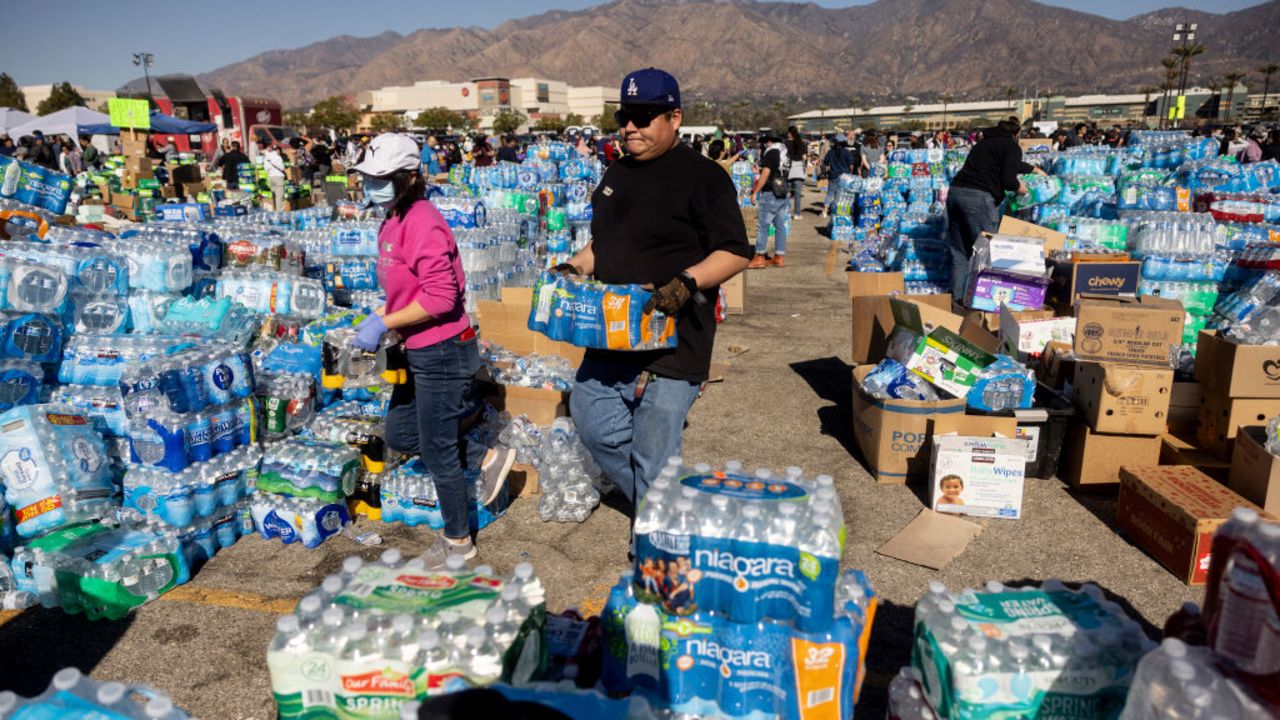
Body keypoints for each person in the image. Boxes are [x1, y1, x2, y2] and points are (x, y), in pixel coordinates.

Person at [558, 68, 751, 524]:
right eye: (626, 116)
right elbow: (603, 244)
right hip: (613, 332)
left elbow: (737, 251)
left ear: (674, 117)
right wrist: (574, 266)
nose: (630, 126)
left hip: (676, 337)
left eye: (644, 117)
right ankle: (666, 509)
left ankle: (657, 537)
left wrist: (686, 281)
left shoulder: (703, 177)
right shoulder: (616, 172)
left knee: (654, 447)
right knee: (591, 421)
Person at [349, 133, 515, 567]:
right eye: (367, 177)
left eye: (380, 178)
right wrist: (385, 319)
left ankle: (459, 543)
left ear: (408, 178)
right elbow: (408, 288)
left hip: (443, 348)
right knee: (403, 435)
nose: (371, 185)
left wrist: (386, 321)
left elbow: (441, 298)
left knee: (439, 449)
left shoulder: (422, 220)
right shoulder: (391, 218)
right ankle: (487, 458)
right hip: (417, 347)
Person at [946, 117, 1039, 298]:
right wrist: (1019, 187)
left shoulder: (983, 144)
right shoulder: (1012, 147)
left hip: (956, 193)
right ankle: (985, 300)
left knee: (960, 252)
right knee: (987, 251)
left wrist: (1032, 169)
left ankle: (956, 300)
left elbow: (1006, 164)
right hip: (978, 198)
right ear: (1016, 133)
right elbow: (1007, 178)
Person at [748, 129, 791, 268]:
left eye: (765, 142)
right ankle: (779, 256)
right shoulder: (785, 152)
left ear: (769, 141)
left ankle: (759, 256)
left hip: (770, 193)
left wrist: (755, 191)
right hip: (782, 192)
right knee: (780, 226)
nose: (764, 145)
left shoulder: (772, 152)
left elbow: (766, 173)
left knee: (763, 226)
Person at [818, 133, 855, 218]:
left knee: (830, 194)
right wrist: (850, 173)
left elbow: (825, 163)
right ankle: (837, 212)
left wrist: (826, 172)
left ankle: (825, 212)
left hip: (833, 175)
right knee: (840, 195)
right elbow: (851, 164)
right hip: (844, 176)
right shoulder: (846, 152)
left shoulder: (830, 152)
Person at [785, 126, 808, 220]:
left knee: (787, 193)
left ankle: (786, 212)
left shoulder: (785, 144)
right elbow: (805, 157)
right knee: (797, 194)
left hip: (788, 170)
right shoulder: (801, 143)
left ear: (790, 133)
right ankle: (797, 214)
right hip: (798, 170)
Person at [261, 143, 288, 211]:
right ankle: (280, 213)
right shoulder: (277, 157)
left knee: (274, 196)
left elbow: (265, 168)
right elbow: (282, 167)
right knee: (279, 197)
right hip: (278, 177)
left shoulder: (266, 158)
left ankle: (274, 210)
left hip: (271, 177)